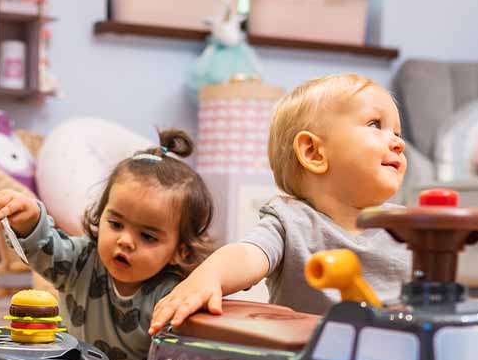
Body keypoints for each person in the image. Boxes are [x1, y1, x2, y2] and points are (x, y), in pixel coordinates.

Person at [0, 128, 213, 360]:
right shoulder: (82, 259)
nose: (125, 241)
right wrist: (29, 220)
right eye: (116, 223)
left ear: (180, 250)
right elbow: (46, 251)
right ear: (101, 215)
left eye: (147, 236)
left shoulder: (171, 293)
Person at [149, 73, 410, 334]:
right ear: (313, 152)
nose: (398, 143)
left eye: (397, 132)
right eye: (375, 125)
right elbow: (248, 254)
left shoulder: (411, 227)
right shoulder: (290, 221)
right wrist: (209, 276)